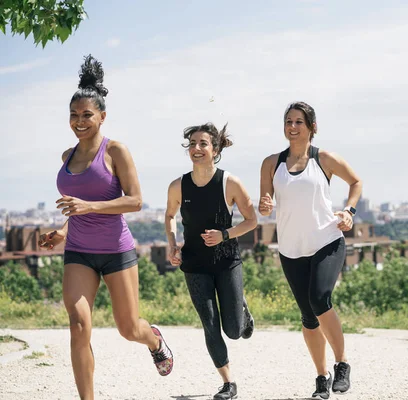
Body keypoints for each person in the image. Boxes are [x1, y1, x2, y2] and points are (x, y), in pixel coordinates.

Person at [38, 55, 173, 400]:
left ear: (102, 116)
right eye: (74, 115)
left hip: (116, 251)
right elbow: (76, 209)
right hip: (79, 252)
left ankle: (154, 339)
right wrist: (63, 233)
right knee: (78, 324)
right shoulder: (67, 156)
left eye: (87, 115)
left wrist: (90, 206)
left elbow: (136, 201)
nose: (79, 122)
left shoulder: (116, 151)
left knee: (129, 329)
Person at [259, 102, 362, 399]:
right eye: (288, 121)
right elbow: (266, 200)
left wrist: (349, 210)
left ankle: (342, 364)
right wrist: (265, 203)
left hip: (326, 241)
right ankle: (321, 377)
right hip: (291, 249)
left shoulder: (324, 159)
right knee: (308, 317)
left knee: (320, 299)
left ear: (312, 127)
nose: (292, 127)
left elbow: (356, 182)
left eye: (299, 122)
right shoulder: (270, 163)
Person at [164, 122, 257, 400]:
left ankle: (242, 311)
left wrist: (225, 234)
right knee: (210, 324)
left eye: (203, 144)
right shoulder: (178, 185)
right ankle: (229, 383)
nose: (196, 148)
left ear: (215, 149)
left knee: (233, 330)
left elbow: (252, 220)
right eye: (192, 144)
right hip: (194, 265)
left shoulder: (230, 183)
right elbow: (170, 215)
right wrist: (172, 244)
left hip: (227, 261)